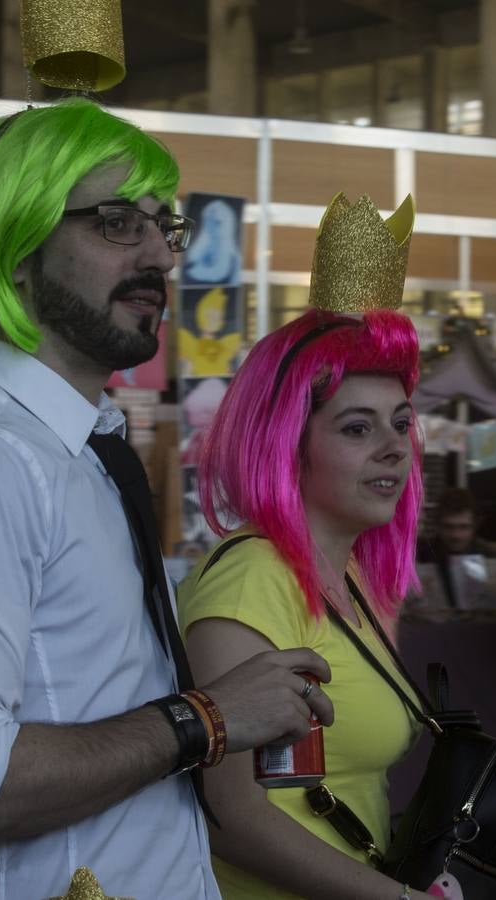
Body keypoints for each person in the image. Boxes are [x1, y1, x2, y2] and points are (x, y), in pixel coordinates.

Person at [0, 99, 335, 899]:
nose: (159, 253)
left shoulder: (85, 448)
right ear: (17, 249)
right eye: (119, 222)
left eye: (166, 227)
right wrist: (208, 717)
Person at [178, 193, 434, 899]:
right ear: (288, 448)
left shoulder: (355, 576)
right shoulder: (252, 581)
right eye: (357, 428)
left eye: (400, 422)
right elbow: (229, 814)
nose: (392, 449)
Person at [414, 488, 496, 609]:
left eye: (463, 527)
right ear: (437, 525)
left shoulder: (488, 553)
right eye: (448, 527)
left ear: (475, 526)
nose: (456, 535)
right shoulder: (421, 553)